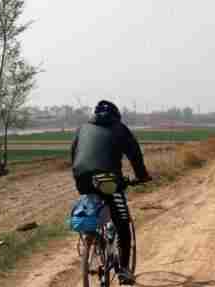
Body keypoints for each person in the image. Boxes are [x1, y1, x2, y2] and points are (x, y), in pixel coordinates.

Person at [70, 100, 151, 285]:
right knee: (122, 223)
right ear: (116, 116)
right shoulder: (119, 128)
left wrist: (79, 173)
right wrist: (142, 175)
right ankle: (124, 270)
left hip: (82, 179)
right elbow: (134, 153)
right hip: (109, 181)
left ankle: (95, 239)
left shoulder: (82, 128)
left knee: (93, 202)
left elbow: (73, 152)